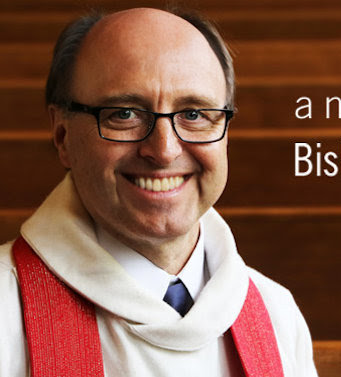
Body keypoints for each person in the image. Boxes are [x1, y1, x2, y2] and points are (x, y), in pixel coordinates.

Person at [0, 7, 318, 377]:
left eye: (195, 114)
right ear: (63, 135)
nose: (164, 150)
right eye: (124, 113)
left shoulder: (275, 313)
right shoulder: (7, 309)